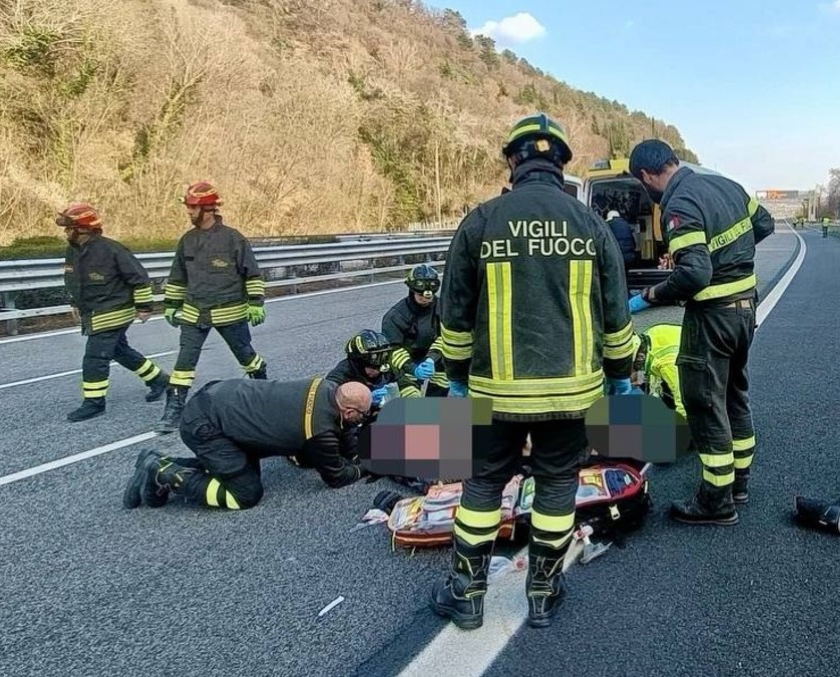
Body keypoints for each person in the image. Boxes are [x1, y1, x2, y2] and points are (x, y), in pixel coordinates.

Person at [429, 112, 636, 631]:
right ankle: (542, 591)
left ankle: (467, 595)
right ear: (561, 164)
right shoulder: (589, 224)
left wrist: (456, 376)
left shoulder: (481, 220)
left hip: (495, 394)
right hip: (573, 393)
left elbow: (453, 315)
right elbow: (615, 314)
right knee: (557, 485)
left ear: (513, 162)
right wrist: (620, 376)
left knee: (481, 486)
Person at [626, 139, 775, 525]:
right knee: (733, 396)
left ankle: (715, 501)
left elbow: (694, 274)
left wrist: (651, 295)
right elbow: (764, 223)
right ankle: (739, 483)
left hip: (711, 317)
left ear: (646, 176)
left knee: (705, 404)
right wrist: (729, 254)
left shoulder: (678, 204)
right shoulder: (726, 185)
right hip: (744, 310)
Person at [123, 378, 372, 510]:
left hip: (223, 400)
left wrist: (359, 453)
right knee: (245, 493)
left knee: (233, 467)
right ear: (349, 411)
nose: (361, 420)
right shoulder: (319, 430)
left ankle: (158, 461)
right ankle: (162, 473)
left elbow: (345, 436)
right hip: (207, 425)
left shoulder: (326, 387)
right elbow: (336, 477)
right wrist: (367, 468)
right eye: (362, 415)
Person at [157, 182, 269, 433]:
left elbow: (252, 273)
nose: (188, 211)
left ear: (207, 209)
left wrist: (255, 304)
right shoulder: (187, 240)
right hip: (194, 313)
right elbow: (178, 276)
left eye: (192, 207)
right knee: (184, 361)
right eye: (188, 206)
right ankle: (173, 409)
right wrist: (171, 305)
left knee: (246, 356)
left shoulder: (233, 238)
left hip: (229, 312)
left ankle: (261, 384)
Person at [58, 203, 171, 422]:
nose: (66, 232)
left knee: (95, 357)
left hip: (113, 310)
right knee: (119, 351)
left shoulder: (112, 249)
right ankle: (158, 379)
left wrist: (144, 307)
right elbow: (73, 279)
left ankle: (94, 402)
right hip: (93, 310)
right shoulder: (73, 250)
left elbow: (139, 278)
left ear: (83, 228)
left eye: (69, 227)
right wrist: (74, 301)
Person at [382, 264, 449, 396]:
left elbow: (447, 336)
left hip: (434, 358)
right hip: (407, 361)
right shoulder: (396, 316)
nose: (426, 297)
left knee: (445, 375)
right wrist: (413, 369)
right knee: (412, 397)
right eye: (421, 294)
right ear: (412, 290)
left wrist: (431, 359)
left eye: (430, 295)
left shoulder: (443, 308)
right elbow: (393, 349)